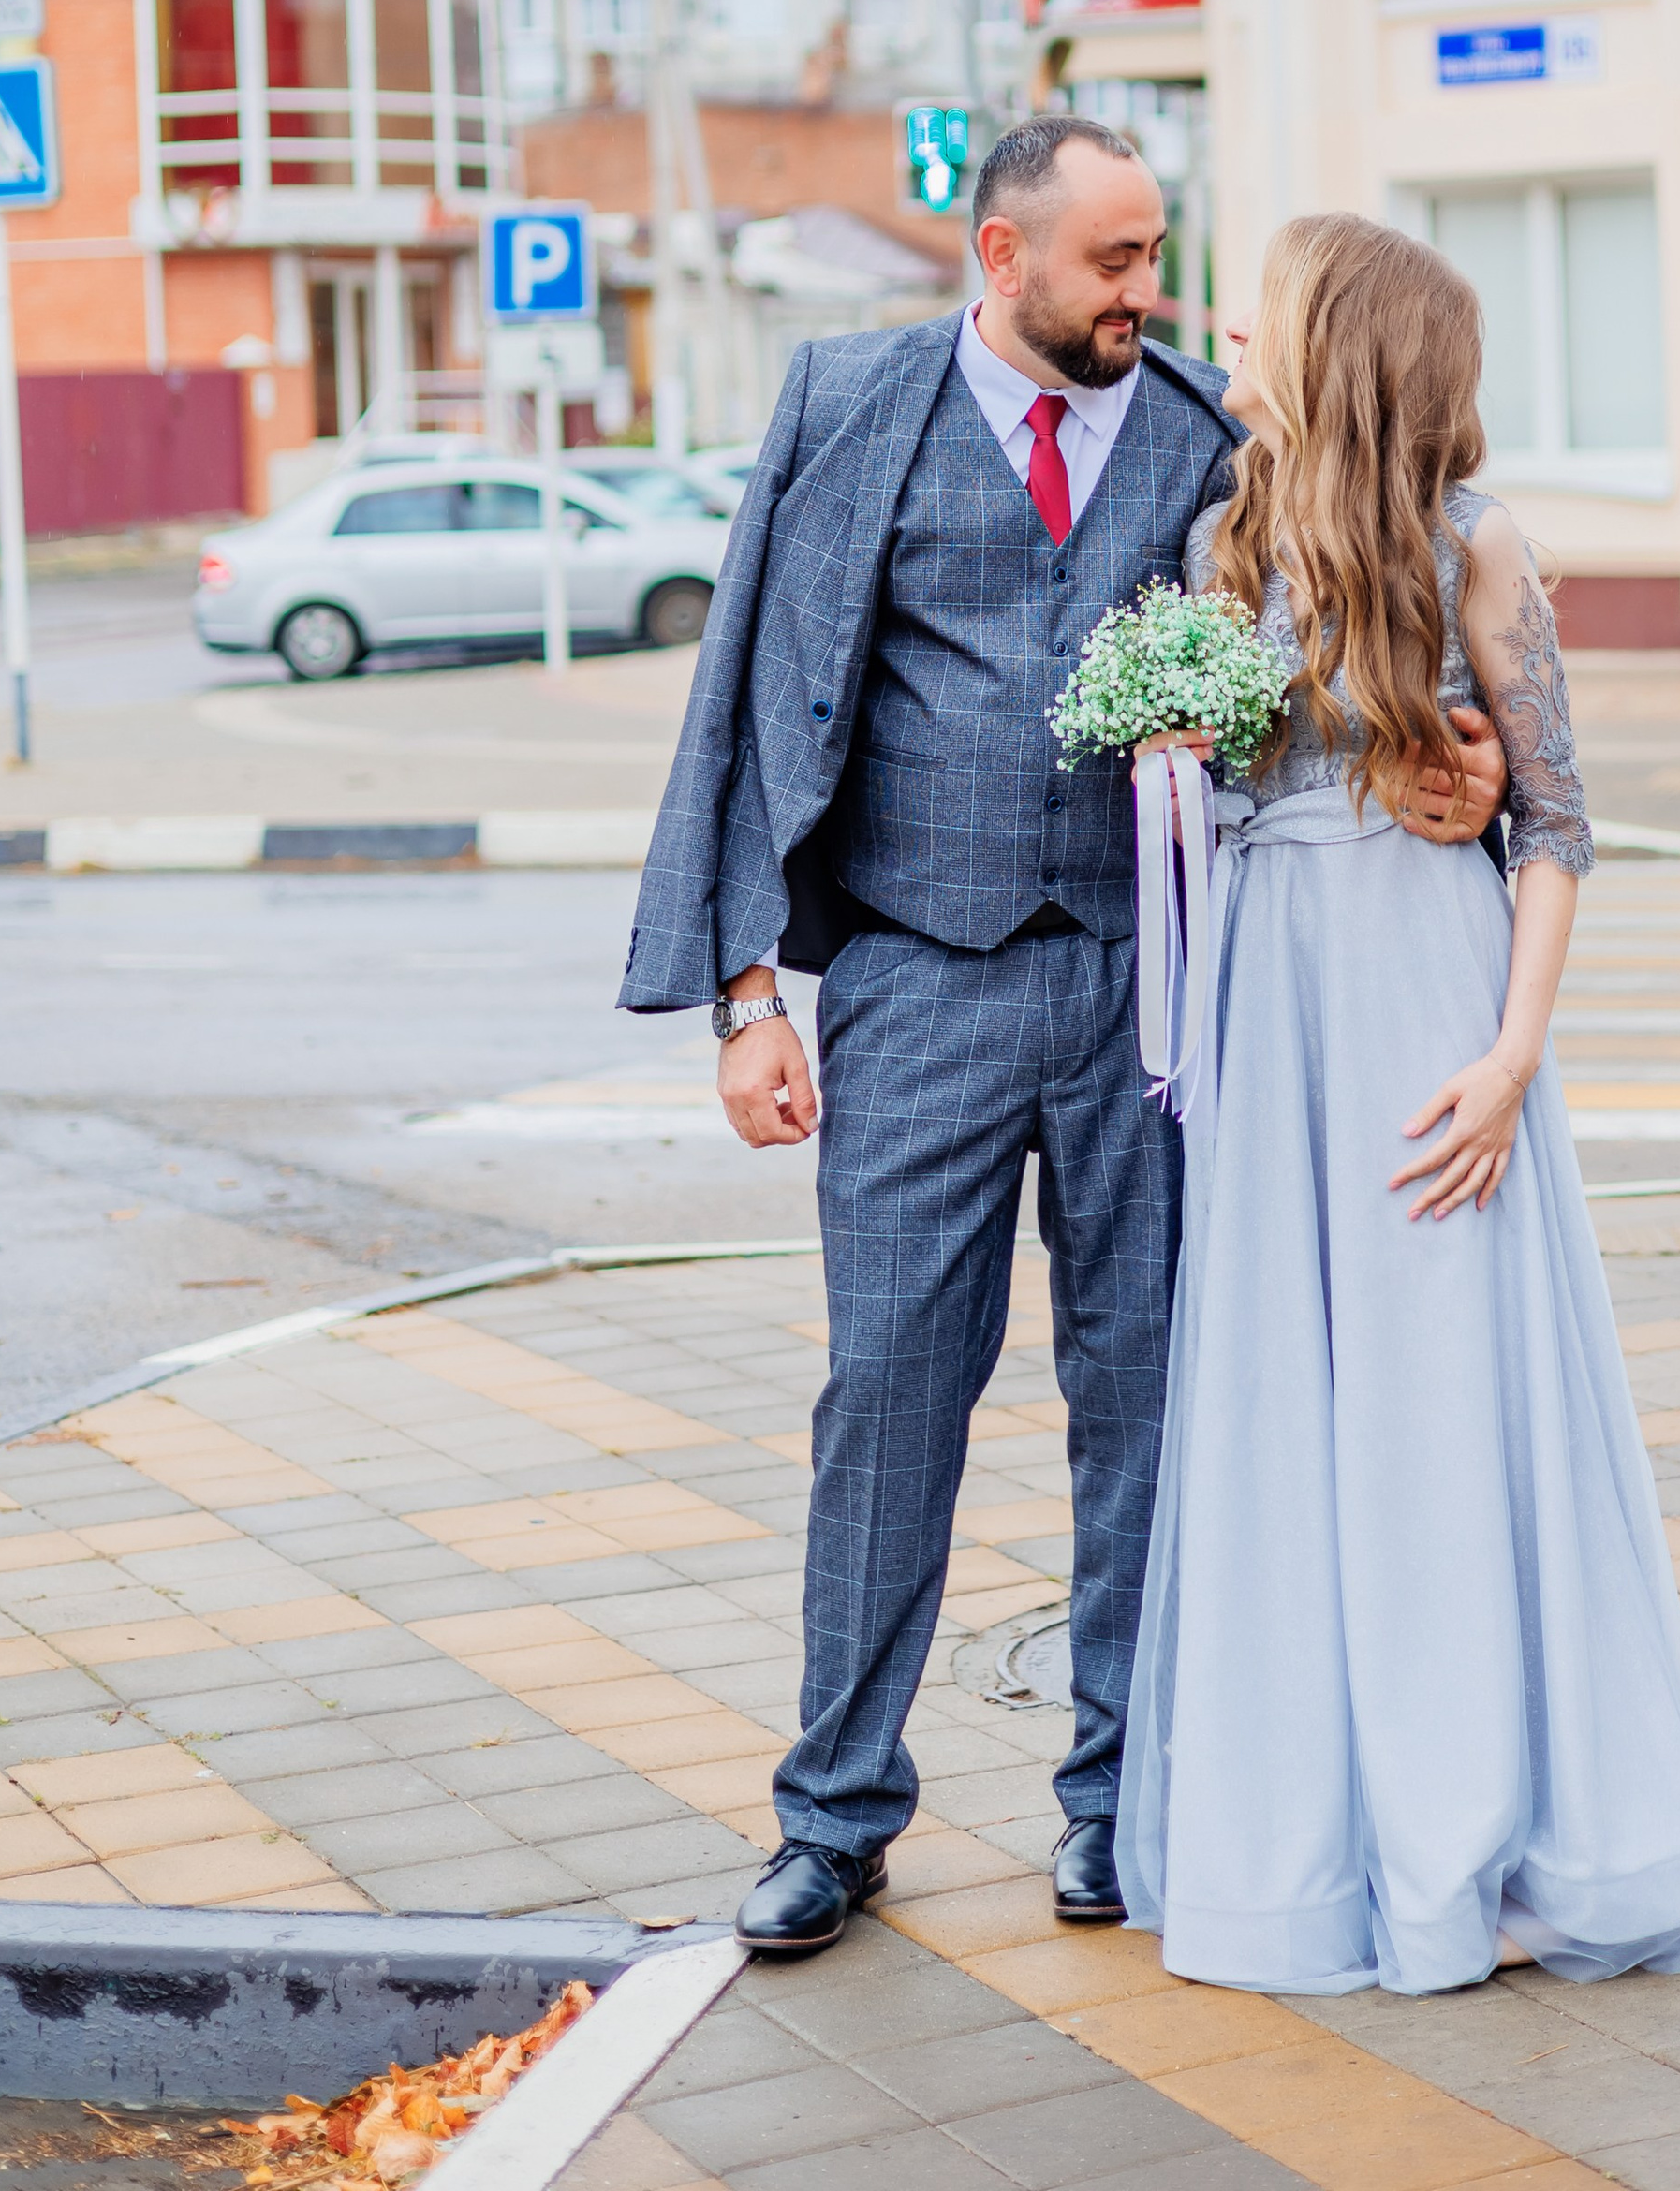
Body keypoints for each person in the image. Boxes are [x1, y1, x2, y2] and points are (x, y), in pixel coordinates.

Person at [621, 121, 1510, 1959]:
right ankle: (834, 1814)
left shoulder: (1208, 428)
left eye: (1155, 252)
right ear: (996, 252)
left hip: (1162, 1002)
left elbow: (1359, 609)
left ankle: (1121, 1795)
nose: (1144, 291)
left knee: (1147, 1403)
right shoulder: (840, 403)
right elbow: (740, 706)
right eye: (1109, 259)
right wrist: (738, 998)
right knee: (884, 1402)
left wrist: (1460, 759)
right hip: (914, 986)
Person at [1116, 213, 1680, 1998]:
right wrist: (1181, 761)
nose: (1221, 333)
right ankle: (1315, 1832)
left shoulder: (1482, 552)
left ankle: (1477, 1825)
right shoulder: (1222, 539)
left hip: (1424, 1006)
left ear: (1339, 351)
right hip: (1271, 1007)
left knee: (1434, 1403)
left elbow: (1557, 825)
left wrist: (1510, 1057)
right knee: (1288, 1402)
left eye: (1257, 315)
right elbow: (1229, 784)